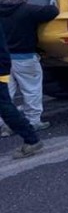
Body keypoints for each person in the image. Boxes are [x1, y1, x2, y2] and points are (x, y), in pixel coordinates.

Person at [0, 0, 58, 138]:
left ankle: (5, 125)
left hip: (3, 61)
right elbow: (52, 11)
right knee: (31, 90)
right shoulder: (28, 10)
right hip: (25, 59)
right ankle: (33, 122)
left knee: (5, 93)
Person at [0, 17, 43, 158]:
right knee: (6, 103)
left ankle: (31, 139)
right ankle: (31, 136)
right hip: (5, 64)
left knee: (4, 105)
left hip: (3, 66)